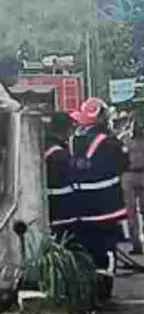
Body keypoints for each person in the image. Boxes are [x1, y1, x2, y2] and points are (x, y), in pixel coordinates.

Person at [68, 98, 128, 303]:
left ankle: (85, 291)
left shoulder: (71, 140)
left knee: (85, 249)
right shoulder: (110, 143)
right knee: (106, 251)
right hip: (106, 206)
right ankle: (103, 292)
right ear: (102, 117)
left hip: (77, 207)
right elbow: (123, 165)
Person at [121, 116, 144, 254]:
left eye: (140, 124)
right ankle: (136, 244)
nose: (137, 127)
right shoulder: (123, 138)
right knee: (131, 212)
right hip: (128, 175)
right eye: (135, 124)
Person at [43, 112, 78, 240]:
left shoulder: (45, 144)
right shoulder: (59, 154)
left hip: (50, 206)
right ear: (66, 129)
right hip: (61, 208)